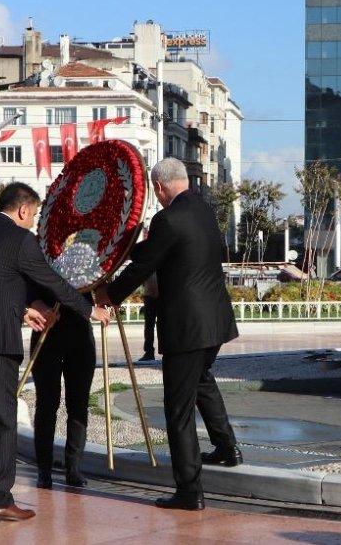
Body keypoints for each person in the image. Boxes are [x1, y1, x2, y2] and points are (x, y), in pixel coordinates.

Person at [0, 182, 111, 524]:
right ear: (23, 210)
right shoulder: (21, 240)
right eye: (33, 214)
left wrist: (22, 309)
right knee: (3, 420)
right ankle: (0, 500)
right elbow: (52, 281)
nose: (34, 221)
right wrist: (88, 310)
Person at [95, 157, 240, 511]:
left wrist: (108, 296)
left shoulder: (167, 219)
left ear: (159, 187)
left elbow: (145, 264)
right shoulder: (204, 211)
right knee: (202, 380)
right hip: (216, 322)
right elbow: (164, 250)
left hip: (187, 328)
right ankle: (226, 448)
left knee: (178, 409)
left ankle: (190, 491)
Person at [27, 292, 95, 491]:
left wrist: (108, 294)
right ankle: (44, 469)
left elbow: (99, 280)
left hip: (80, 331)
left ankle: (73, 468)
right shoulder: (39, 259)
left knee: (79, 404)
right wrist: (35, 301)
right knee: (47, 404)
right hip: (48, 328)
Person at [140, 272, 159, 362]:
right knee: (148, 326)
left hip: (162, 296)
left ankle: (166, 351)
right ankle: (149, 352)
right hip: (149, 296)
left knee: (163, 326)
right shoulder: (149, 261)